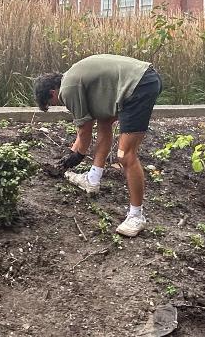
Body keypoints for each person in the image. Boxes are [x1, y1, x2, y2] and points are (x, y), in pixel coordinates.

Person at [34, 54, 161, 237]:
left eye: (51, 104)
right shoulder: (76, 79)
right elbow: (91, 123)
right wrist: (72, 154)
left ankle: (136, 216)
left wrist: (73, 158)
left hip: (139, 85)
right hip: (139, 80)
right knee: (104, 122)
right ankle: (93, 179)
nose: (58, 105)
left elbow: (84, 134)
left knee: (125, 155)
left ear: (52, 93)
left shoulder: (68, 89)